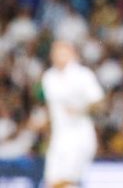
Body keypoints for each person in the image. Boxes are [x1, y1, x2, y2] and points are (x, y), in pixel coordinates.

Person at [41, 40, 105, 188]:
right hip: (59, 138)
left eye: (62, 52)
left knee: (66, 181)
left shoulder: (83, 75)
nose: (57, 55)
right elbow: (51, 109)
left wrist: (81, 109)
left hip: (79, 136)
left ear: (72, 54)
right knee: (52, 181)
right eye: (55, 52)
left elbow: (100, 103)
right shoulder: (48, 77)